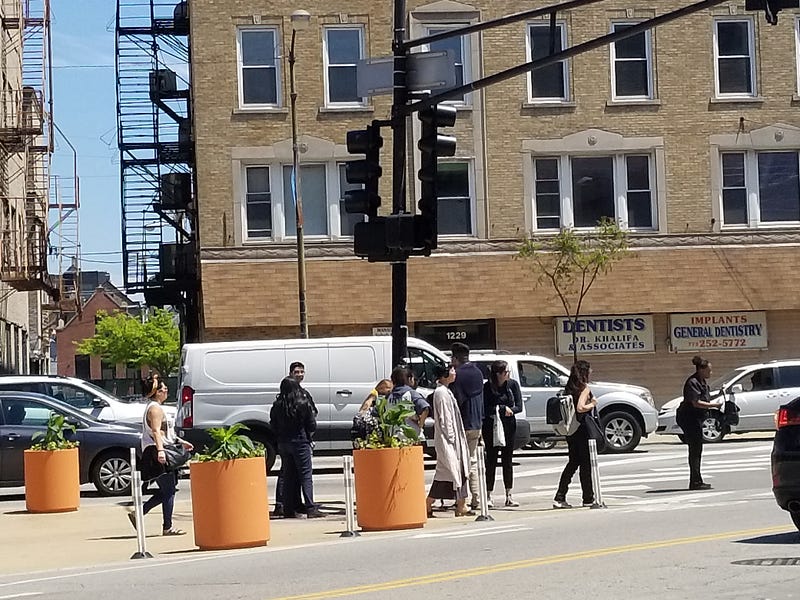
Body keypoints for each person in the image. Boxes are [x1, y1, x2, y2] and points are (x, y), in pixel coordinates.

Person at [129, 373, 193, 535]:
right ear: (157, 392)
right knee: (169, 490)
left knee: (168, 489)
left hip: (160, 449)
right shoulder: (155, 409)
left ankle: (141, 513)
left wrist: (180, 441)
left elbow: (165, 432)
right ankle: (167, 526)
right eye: (163, 389)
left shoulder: (155, 407)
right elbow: (156, 431)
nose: (166, 391)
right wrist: (160, 452)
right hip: (157, 452)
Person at [270, 377, 323, 518]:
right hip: (300, 441)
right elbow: (311, 424)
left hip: (283, 442)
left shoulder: (277, 405)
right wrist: (308, 434)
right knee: (305, 475)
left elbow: (273, 424)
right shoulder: (302, 403)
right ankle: (310, 507)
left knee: (288, 475)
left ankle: (288, 509)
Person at [426, 363, 472, 518]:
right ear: (444, 374)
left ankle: (461, 504)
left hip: (453, 439)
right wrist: (451, 437)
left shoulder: (446, 391)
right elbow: (445, 418)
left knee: (456, 472)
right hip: (448, 440)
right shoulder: (441, 393)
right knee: (450, 472)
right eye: (451, 370)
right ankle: (429, 503)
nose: (454, 372)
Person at [553, 360, 597, 509]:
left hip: (571, 429)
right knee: (585, 465)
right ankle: (588, 497)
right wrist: (593, 403)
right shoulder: (584, 388)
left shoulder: (569, 388)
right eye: (589, 370)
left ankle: (560, 496)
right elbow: (580, 408)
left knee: (573, 463)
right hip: (582, 429)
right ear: (585, 373)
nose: (591, 372)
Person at [482, 360, 523, 508]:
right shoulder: (487, 387)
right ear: (498, 374)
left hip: (508, 425)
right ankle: (488, 494)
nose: (508, 374)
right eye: (505, 372)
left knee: (507, 459)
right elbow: (484, 408)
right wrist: (499, 409)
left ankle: (509, 494)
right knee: (491, 460)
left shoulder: (512, 385)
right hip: (491, 425)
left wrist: (511, 410)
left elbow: (519, 405)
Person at [677, 355, 722, 491]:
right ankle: (695, 482)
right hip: (689, 418)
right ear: (701, 370)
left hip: (696, 418)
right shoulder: (692, 382)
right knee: (695, 450)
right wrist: (714, 405)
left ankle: (697, 480)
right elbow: (696, 403)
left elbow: (705, 398)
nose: (711, 373)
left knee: (697, 450)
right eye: (709, 370)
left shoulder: (702, 382)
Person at [450, 342, 485, 509]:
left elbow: (456, 399)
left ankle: (464, 498)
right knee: (472, 461)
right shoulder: (478, 373)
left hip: (463, 422)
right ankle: (476, 497)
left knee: (462, 462)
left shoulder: (457, 375)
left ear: (455, 359)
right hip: (477, 422)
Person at [387, 366, 430, 440]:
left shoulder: (388, 396)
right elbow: (425, 408)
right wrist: (420, 424)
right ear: (409, 379)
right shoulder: (411, 393)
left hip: (393, 436)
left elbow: (376, 413)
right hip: (412, 436)